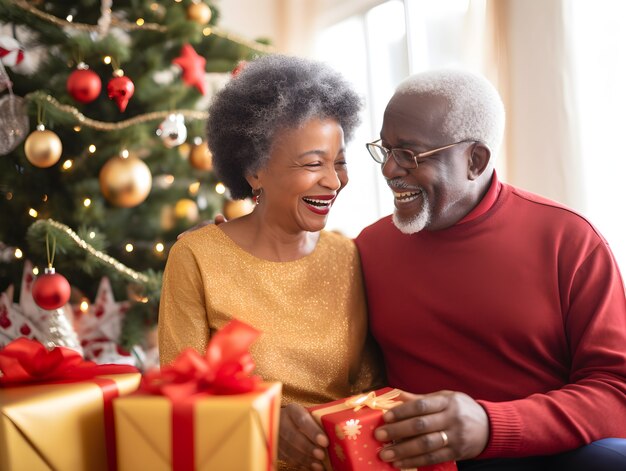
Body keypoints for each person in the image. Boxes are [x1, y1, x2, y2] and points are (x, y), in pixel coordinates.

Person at [353, 69, 626, 470]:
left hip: (551, 455)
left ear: (475, 160)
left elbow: (616, 392)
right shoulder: (369, 247)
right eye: (386, 149)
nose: (389, 170)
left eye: (409, 154)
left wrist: (490, 426)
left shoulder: (568, 239)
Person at [158, 54, 382, 471]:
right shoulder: (197, 256)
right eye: (313, 163)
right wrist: (262, 421)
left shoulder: (345, 254)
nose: (333, 181)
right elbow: (179, 393)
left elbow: (367, 387)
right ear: (255, 170)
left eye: (339, 162)